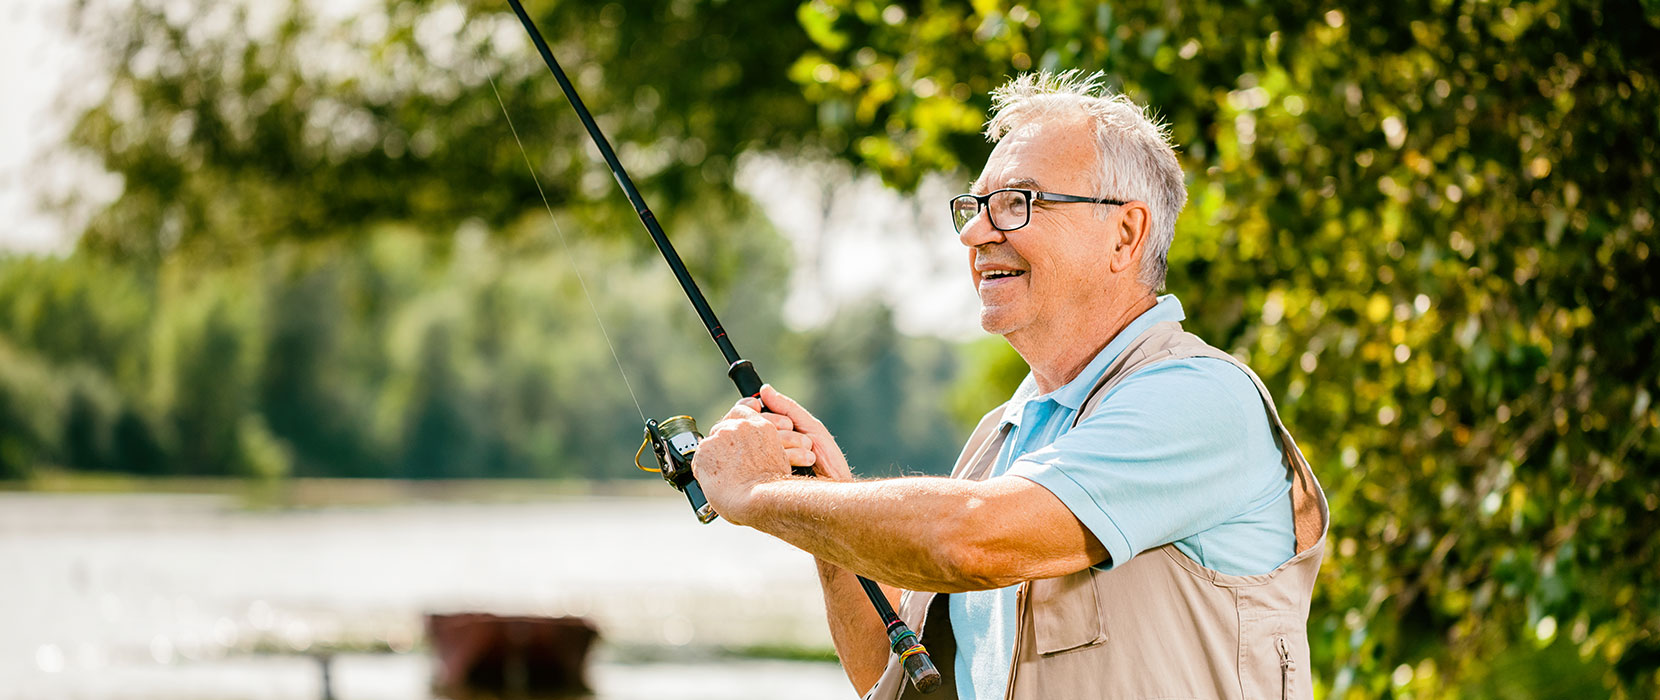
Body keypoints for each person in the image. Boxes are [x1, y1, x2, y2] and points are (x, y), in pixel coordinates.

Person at [690, 71, 1328, 700]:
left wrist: (759, 494)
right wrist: (821, 500)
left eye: (1018, 203)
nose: (975, 233)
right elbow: (903, 677)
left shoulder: (1197, 399)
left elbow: (966, 539)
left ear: (1125, 234)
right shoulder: (1004, 434)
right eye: (974, 207)